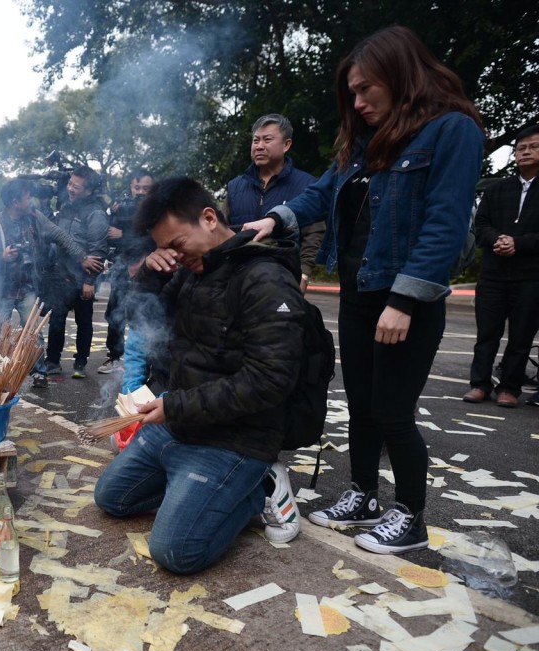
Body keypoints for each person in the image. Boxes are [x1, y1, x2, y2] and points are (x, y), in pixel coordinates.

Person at [245, 26, 485, 554]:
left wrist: (404, 300)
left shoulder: (452, 130)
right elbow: (319, 194)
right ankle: (364, 494)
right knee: (360, 406)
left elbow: (444, 225)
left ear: (401, 75)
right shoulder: (364, 145)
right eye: (351, 93)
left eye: (365, 89)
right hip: (358, 291)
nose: (357, 102)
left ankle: (412, 515)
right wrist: (274, 220)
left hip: (404, 298)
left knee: (394, 410)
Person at [93, 177, 306, 574]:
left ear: (209, 218)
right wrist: (151, 277)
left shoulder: (265, 278)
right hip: (179, 423)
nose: (173, 255)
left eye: (175, 244)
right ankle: (196, 489)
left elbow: (269, 381)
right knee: (111, 499)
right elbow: (143, 327)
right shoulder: (192, 269)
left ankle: (258, 490)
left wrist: (174, 405)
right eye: (163, 248)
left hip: (233, 437)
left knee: (176, 552)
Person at [0, 178, 103, 388]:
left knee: (33, 331)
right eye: (27, 197)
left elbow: (61, 236)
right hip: (0, 291)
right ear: (15, 201)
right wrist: (2, 256)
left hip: (27, 286)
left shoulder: (35, 217)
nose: (31, 200)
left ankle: (38, 372)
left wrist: (82, 257)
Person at [463, 125, 539, 408]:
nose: (526, 152)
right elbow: (480, 225)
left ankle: (510, 388)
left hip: (531, 276)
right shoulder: (497, 188)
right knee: (487, 334)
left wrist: (518, 243)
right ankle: (479, 384)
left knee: (521, 336)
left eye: (533, 146)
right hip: (494, 274)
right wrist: (498, 240)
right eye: (521, 148)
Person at [225, 113, 325, 294]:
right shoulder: (235, 186)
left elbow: (313, 235)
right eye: (256, 141)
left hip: (282, 279)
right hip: (237, 278)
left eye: (267, 140)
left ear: (286, 145)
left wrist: (304, 275)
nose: (259, 146)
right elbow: (224, 231)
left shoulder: (307, 185)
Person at [43, 166, 109, 379]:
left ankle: (80, 362)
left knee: (84, 321)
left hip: (82, 279)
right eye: (70, 183)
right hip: (61, 275)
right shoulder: (66, 207)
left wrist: (90, 281)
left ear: (89, 190)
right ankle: (52, 361)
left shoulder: (96, 214)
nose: (70, 188)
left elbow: (98, 250)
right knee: (57, 319)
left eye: (76, 186)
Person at [98, 168, 154, 375]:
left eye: (145, 189)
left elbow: (155, 238)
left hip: (148, 265)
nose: (140, 192)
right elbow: (110, 234)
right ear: (131, 186)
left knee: (145, 311)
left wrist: (124, 234)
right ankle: (114, 356)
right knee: (115, 311)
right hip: (122, 264)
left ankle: (149, 358)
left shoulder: (156, 210)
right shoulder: (121, 207)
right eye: (137, 187)